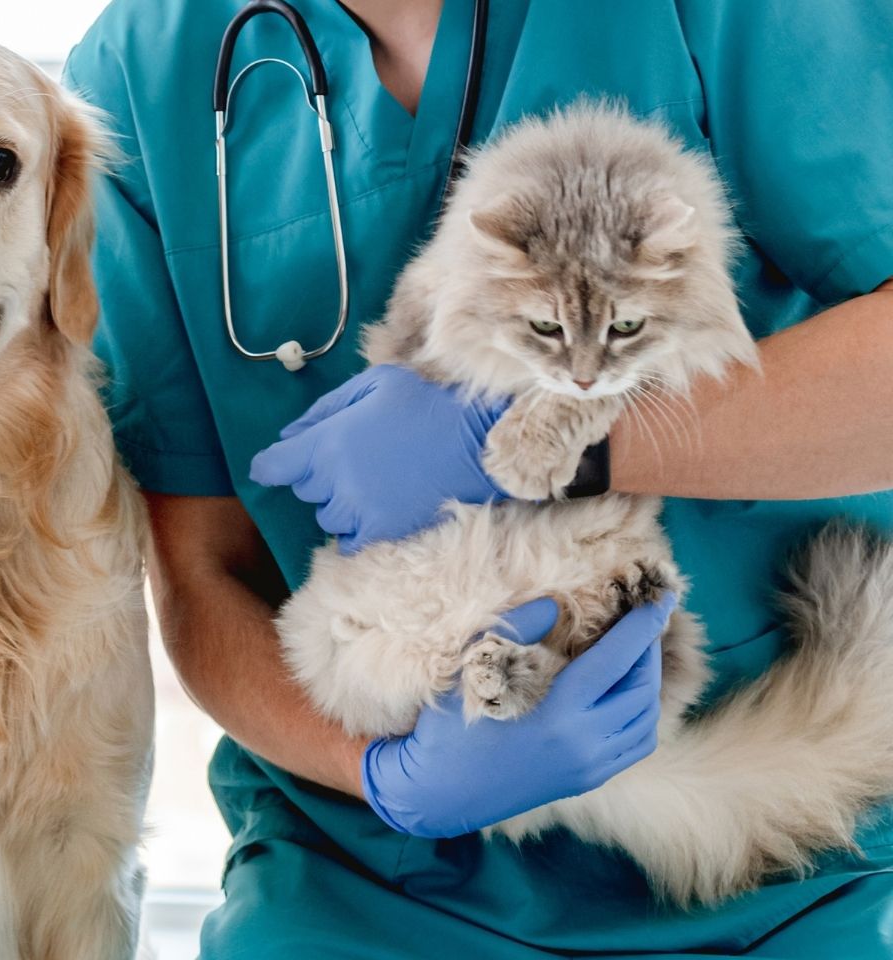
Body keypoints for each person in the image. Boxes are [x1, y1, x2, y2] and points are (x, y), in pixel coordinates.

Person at [63, 1, 893, 955]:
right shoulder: (144, 70)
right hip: (362, 868)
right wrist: (386, 775)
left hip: (780, 878)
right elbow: (200, 576)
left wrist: (578, 446)